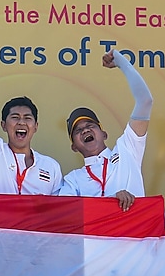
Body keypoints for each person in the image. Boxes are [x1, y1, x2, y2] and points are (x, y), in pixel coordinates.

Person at [0, 30, 62, 195]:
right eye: (15, 117)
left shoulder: (51, 166)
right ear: (3, 125)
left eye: (27, 118)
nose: (21, 122)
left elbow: (59, 213)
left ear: (36, 126)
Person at [59, 49, 152, 211]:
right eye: (77, 130)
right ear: (74, 146)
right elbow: (66, 214)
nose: (85, 130)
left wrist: (121, 62)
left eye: (90, 125)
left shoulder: (127, 150)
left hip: (132, 235)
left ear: (104, 133)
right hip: (94, 237)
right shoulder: (72, 180)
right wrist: (111, 200)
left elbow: (145, 101)